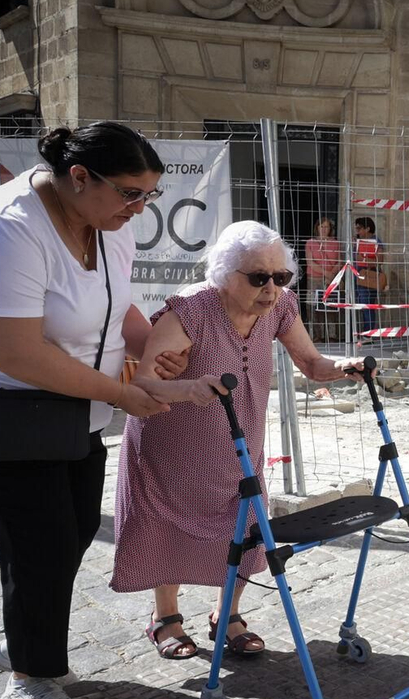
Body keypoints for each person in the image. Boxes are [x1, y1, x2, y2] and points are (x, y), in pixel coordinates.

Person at [0, 122, 200, 699]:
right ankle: (28, 680)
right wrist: (125, 392)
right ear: (79, 177)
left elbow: (120, 309)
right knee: (38, 543)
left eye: (149, 195)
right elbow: (15, 353)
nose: (139, 208)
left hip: (69, 406)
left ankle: (22, 642)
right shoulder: (3, 230)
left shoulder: (109, 225)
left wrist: (151, 354)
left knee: (74, 530)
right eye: (129, 193)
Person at [111, 221, 364, 660]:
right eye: (258, 277)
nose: (271, 288)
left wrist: (347, 366)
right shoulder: (189, 311)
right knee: (165, 527)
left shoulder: (280, 307)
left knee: (246, 528)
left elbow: (311, 363)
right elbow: (145, 384)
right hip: (171, 445)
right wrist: (189, 388)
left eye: (280, 277)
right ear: (225, 273)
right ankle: (165, 618)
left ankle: (226, 615)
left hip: (237, 444)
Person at [304, 217, 341, 300]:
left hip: (331, 279)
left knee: (331, 305)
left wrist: (331, 274)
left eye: (326, 227)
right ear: (317, 227)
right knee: (314, 305)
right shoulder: (310, 242)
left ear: (330, 229)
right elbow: (310, 263)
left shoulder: (336, 243)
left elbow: (340, 262)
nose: (324, 229)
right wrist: (327, 273)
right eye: (321, 226)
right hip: (314, 279)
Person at [353, 216, 387, 297]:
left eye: (359, 228)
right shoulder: (357, 241)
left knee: (366, 303)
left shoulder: (376, 242)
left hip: (369, 275)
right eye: (356, 228)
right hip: (357, 275)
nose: (357, 231)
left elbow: (379, 261)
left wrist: (363, 259)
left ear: (367, 229)